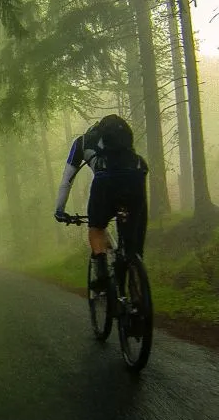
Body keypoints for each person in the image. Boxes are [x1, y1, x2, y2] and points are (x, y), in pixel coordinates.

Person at [53, 114, 149, 302]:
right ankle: (137, 296)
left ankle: (103, 277)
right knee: (131, 247)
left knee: (96, 229)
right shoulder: (122, 141)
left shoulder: (81, 142)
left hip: (105, 182)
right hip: (136, 175)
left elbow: (67, 181)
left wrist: (59, 210)